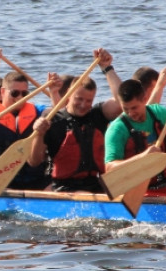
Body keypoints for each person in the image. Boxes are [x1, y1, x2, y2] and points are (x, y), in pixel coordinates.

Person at [28, 50, 123, 192]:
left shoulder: (98, 115)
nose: (84, 105)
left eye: (89, 100)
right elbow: (33, 161)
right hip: (63, 187)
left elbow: (121, 101)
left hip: (96, 184)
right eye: (79, 99)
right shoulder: (52, 120)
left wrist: (107, 68)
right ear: (69, 95)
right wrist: (39, 134)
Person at [105, 78, 166, 192]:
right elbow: (109, 168)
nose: (130, 113)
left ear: (144, 99)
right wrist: (143, 157)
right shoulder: (117, 129)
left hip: (165, 185)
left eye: (134, 108)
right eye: (125, 109)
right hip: (135, 192)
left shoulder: (159, 113)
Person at [0, 70, 52, 190]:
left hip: (35, 180)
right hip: (0, 183)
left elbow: (57, 113)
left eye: (24, 93)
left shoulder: (37, 111)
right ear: (3, 92)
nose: (19, 97)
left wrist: (55, 93)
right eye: (14, 93)